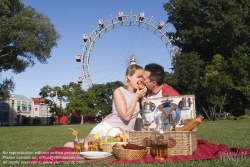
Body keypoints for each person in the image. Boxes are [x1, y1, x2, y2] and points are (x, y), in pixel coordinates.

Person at [64, 64, 147, 150]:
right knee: (88, 146)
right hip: (109, 127)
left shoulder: (139, 94)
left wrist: (143, 96)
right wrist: (136, 97)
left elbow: (147, 113)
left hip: (125, 132)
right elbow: (126, 116)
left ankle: (84, 141)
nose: (141, 80)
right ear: (129, 76)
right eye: (139, 77)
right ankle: (79, 142)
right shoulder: (118, 92)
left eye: (142, 78)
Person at [134, 63, 180, 130]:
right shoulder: (147, 91)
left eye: (144, 79)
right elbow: (146, 113)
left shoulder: (170, 95)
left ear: (154, 83)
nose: (141, 80)